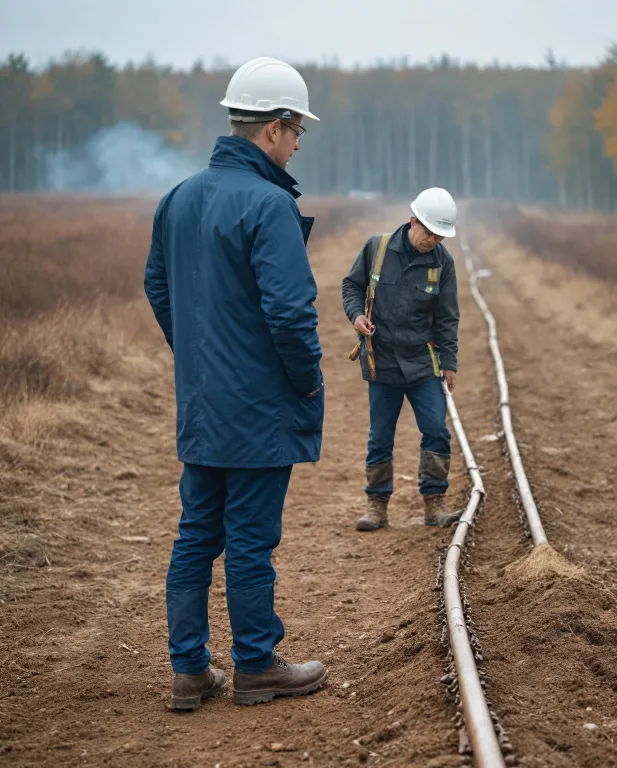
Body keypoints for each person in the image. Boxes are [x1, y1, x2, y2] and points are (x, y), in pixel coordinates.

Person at [144, 57, 327, 711]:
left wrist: (196, 354)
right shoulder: (270, 203)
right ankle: (254, 666)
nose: (299, 142)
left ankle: (189, 671)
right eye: (297, 130)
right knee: (251, 537)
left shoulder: (179, 197)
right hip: (256, 409)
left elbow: (157, 287)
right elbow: (289, 311)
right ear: (274, 128)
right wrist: (306, 382)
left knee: (197, 533)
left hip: (202, 403)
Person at [341, 188, 461, 532]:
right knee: (380, 436)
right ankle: (376, 506)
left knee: (436, 430)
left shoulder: (443, 263)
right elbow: (351, 287)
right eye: (429, 233)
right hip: (382, 363)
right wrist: (355, 316)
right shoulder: (376, 250)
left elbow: (447, 318)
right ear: (413, 222)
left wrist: (449, 363)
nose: (433, 240)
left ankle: (434, 504)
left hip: (424, 363)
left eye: (440, 235)